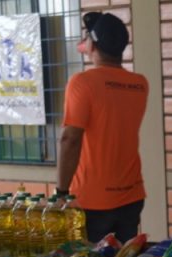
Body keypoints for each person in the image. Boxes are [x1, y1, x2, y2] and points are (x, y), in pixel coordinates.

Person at [57, 12, 148, 243]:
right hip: (132, 194)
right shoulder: (139, 84)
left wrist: (61, 192)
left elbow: (70, 139)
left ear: (92, 43)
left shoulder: (83, 82)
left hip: (93, 201)